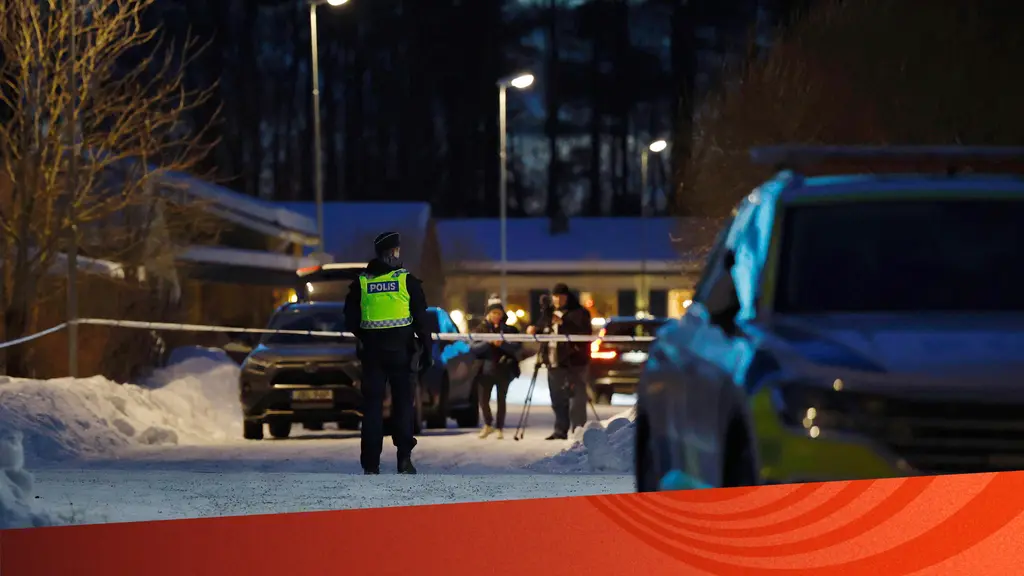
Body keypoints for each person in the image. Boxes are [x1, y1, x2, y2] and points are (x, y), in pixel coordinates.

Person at [344, 231, 433, 475]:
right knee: (403, 406)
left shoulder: (361, 283)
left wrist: (368, 337)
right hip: (402, 353)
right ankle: (404, 459)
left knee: (372, 409)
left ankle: (371, 464)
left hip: (372, 355)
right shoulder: (407, 281)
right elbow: (422, 320)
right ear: (392, 252)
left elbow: (350, 321)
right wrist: (427, 350)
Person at [527, 283, 592, 439]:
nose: (557, 300)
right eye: (555, 296)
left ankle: (578, 430)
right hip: (553, 360)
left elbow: (584, 334)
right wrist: (535, 329)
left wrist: (563, 323)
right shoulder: (548, 313)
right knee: (557, 397)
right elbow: (543, 328)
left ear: (567, 297)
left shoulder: (580, 313)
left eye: (561, 296)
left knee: (576, 398)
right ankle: (560, 429)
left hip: (574, 361)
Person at [470, 300, 523, 440]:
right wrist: (488, 342)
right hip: (484, 370)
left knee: (501, 399)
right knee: (483, 400)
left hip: (503, 369)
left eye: (499, 313)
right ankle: (488, 424)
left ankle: (499, 427)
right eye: (494, 312)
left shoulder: (509, 329)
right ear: (488, 314)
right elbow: (473, 348)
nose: (496, 316)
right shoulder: (480, 329)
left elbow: (517, 346)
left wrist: (502, 344)